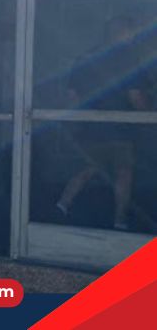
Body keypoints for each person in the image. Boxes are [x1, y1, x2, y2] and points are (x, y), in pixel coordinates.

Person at [56, 15, 148, 231]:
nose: (131, 35)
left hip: (91, 127)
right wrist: (149, 116)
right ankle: (120, 221)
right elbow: (136, 97)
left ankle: (62, 205)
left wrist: (74, 122)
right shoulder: (130, 61)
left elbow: (72, 96)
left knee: (88, 168)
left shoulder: (86, 58)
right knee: (123, 172)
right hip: (120, 129)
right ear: (121, 32)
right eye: (129, 31)